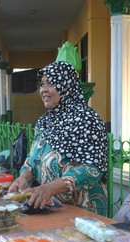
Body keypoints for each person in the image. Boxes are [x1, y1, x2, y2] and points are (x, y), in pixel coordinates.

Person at [8, 61, 108, 215]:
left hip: (84, 210)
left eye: (51, 83)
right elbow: (32, 160)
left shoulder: (87, 119)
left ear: (66, 86)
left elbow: (93, 168)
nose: (44, 90)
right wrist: (23, 178)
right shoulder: (44, 121)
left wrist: (51, 188)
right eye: (42, 84)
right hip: (52, 207)